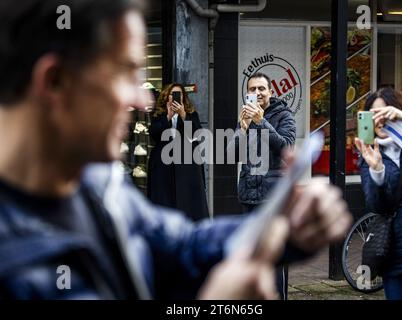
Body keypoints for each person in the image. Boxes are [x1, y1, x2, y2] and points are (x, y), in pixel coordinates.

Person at [0, 0, 352, 300]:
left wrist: (285, 231)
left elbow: (181, 246)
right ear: (55, 81)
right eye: (125, 74)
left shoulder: (98, 184)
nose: (140, 98)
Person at [355, 87, 402, 300]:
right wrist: (377, 170)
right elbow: (378, 207)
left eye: (384, 112)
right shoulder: (369, 156)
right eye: (373, 114)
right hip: (398, 254)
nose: (379, 119)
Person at [227, 72, 296, 212]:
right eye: (252, 89)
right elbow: (231, 156)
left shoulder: (285, 115)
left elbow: (286, 148)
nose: (257, 92)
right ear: (247, 93)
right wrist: (243, 128)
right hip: (248, 196)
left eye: (261, 88)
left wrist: (261, 122)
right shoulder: (246, 116)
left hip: (274, 196)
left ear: (270, 92)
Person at [147, 84, 209, 221]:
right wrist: (168, 117)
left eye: (179, 94)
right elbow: (154, 134)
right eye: (172, 94)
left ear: (183, 97)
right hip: (164, 165)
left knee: (188, 201)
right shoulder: (159, 114)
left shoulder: (191, 114)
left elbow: (197, 135)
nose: (175, 97)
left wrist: (183, 115)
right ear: (166, 97)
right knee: (164, 198)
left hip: (187, 164)